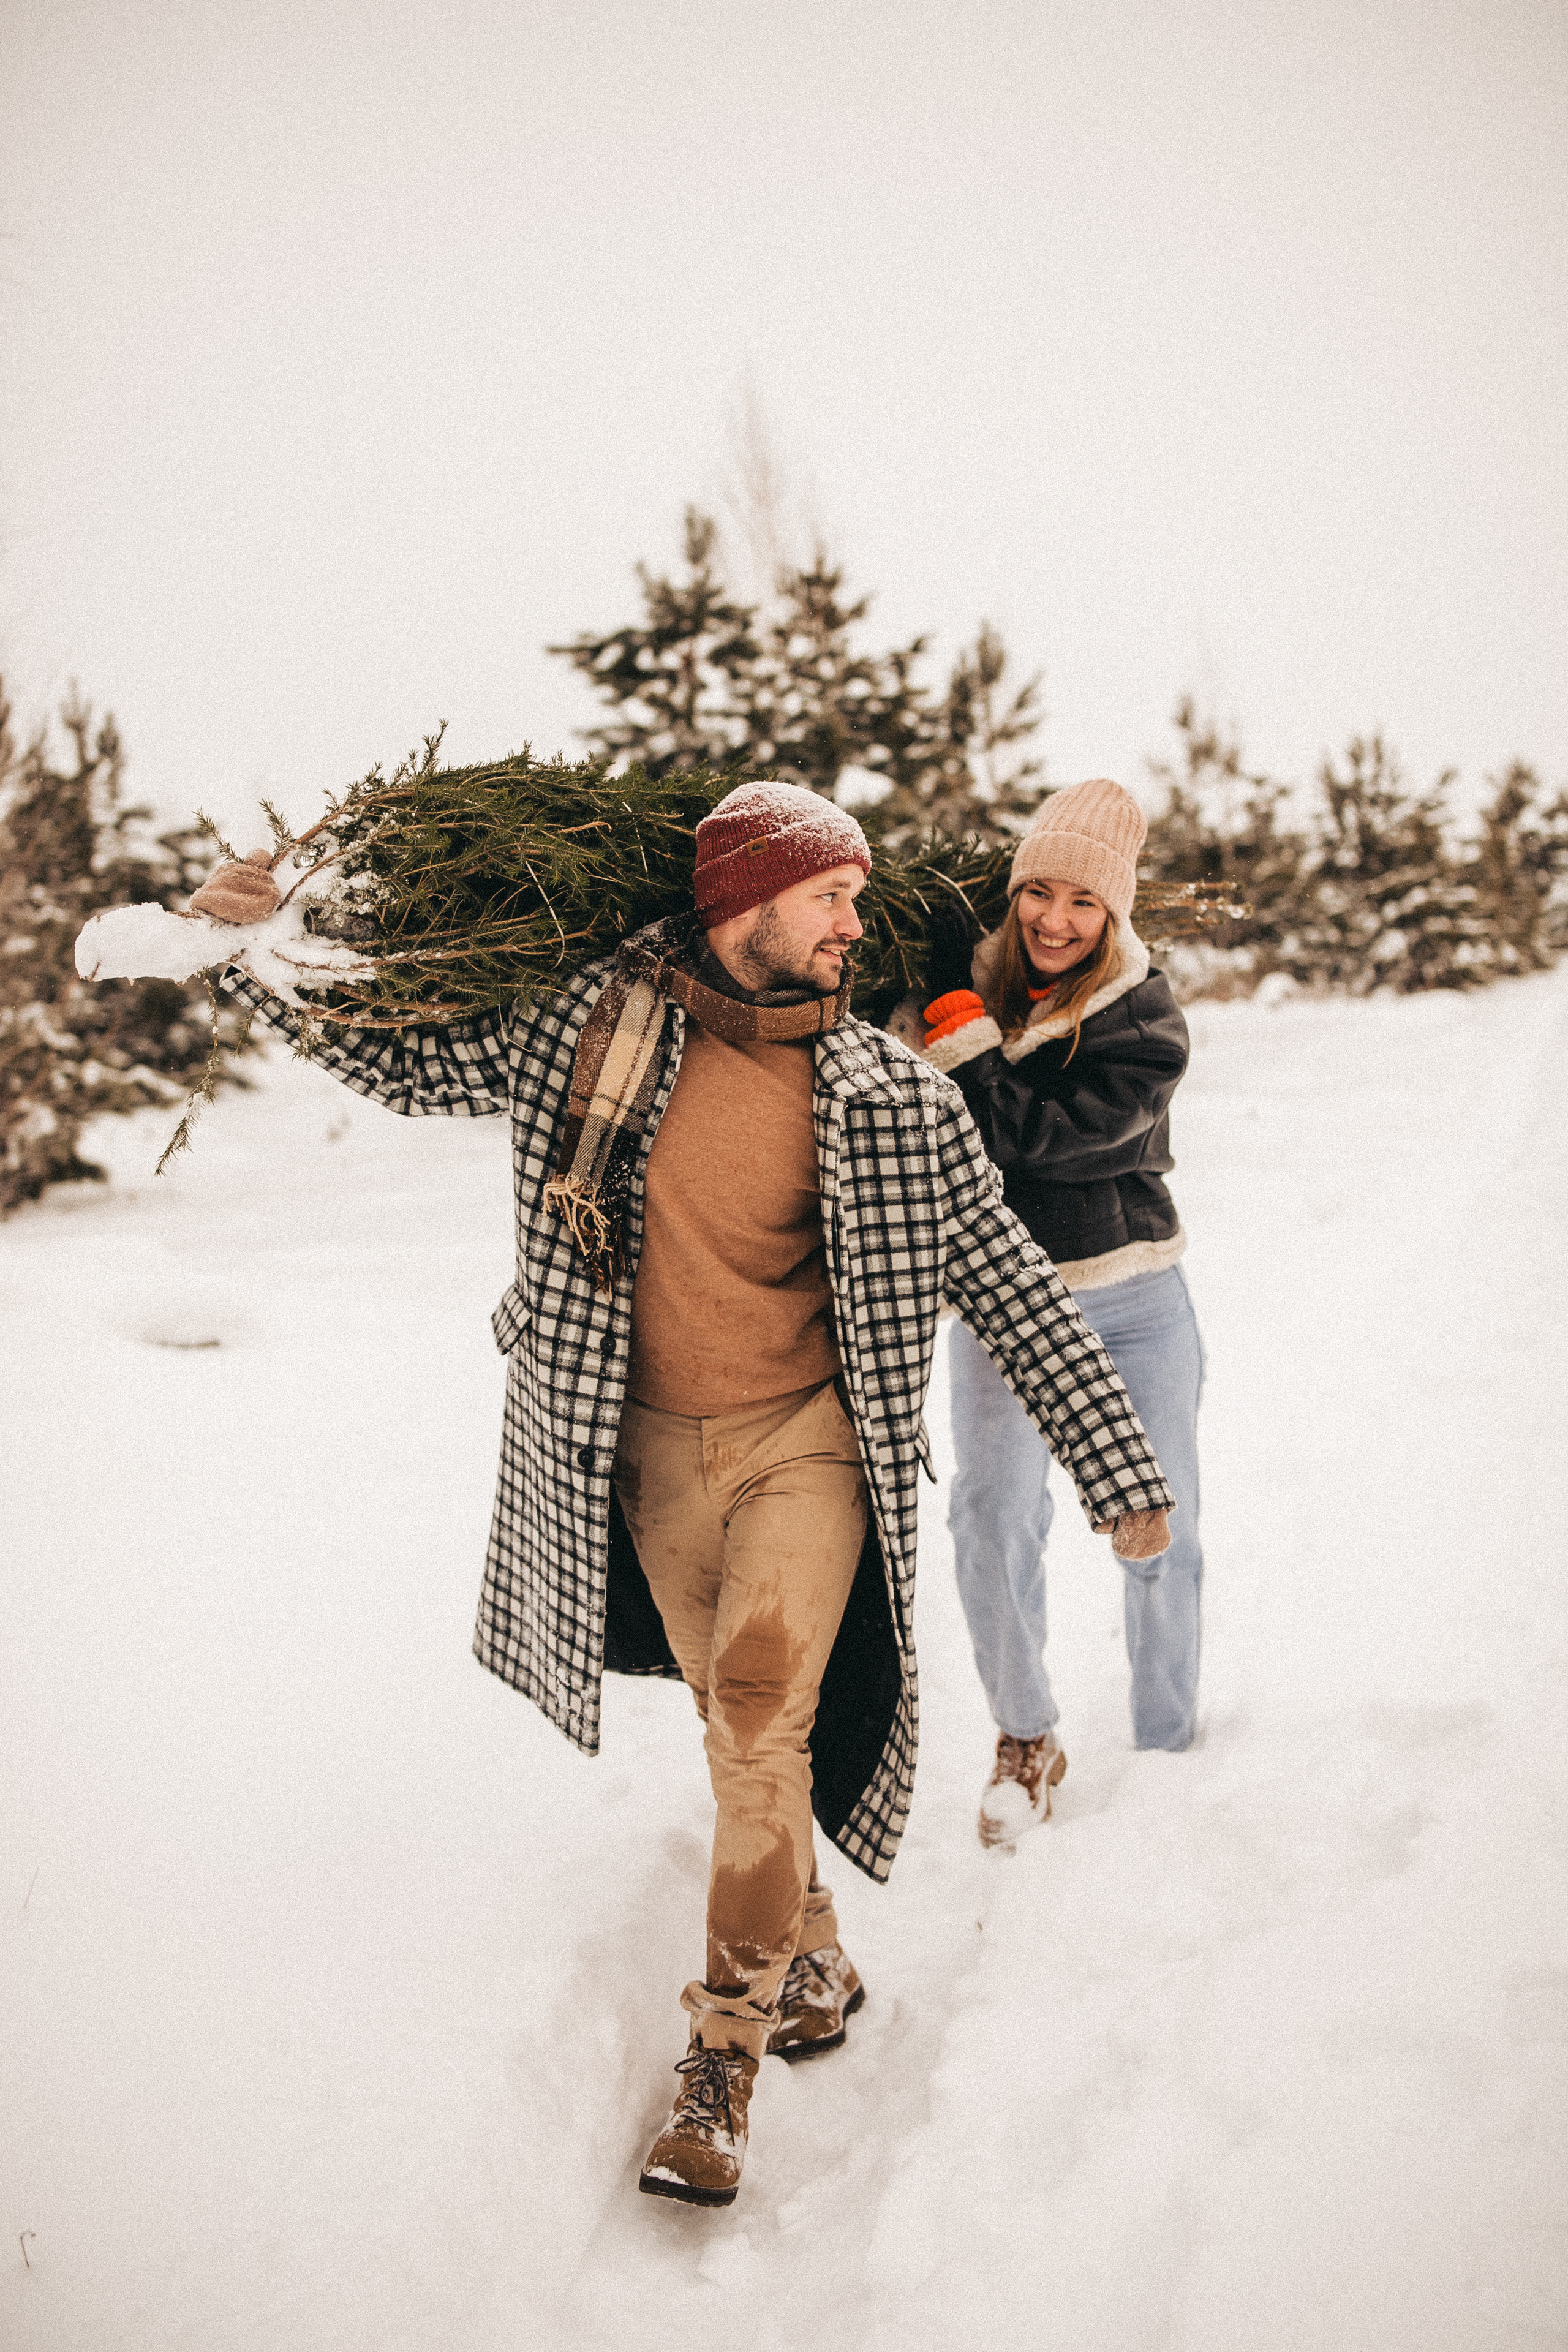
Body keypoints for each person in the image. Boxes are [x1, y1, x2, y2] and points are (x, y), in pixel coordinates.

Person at [192, 780, 1175, 2208]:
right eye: (831, 898)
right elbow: (404, 1066)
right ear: (745, 904)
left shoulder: (888, 1095)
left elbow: (1010, 1284)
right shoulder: (589, 1031)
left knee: (766, 1716)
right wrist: (252, 952)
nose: (858, 923)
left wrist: (1115, 1469)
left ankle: (719, 2069)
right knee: (735, 1738)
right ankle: (813, 1959)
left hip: (808, 1446)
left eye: (856, 897)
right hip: (642, 1446)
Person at [916, 777, 1205, 1847]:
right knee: (990, 1520)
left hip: (1133, 1300)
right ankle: (1025, 1735)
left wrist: (959, 1031)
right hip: (1002, 1303)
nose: (1054, 919)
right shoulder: (966, 978)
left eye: (1083, 902)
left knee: (1157, 1530)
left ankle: (1168, 1744)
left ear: (1115, 913)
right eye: (1038, 892)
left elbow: (1034, 1135)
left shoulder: (1148, 1022)